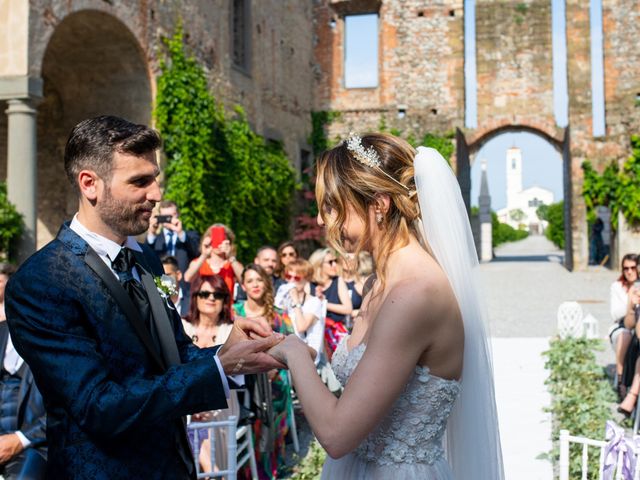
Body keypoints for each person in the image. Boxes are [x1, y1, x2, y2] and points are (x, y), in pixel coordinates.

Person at [4, 116, 284, 479]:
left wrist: (235, 353)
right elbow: (98, 406)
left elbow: (175, 355)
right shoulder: (41, 283)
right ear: (90, 184)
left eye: (155, 179)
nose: (156, 194)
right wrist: (218, 368)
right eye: (140, 181)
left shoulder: (145, 259)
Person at [268, 133, 503, 479]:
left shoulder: (415, 295)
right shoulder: (377, 283)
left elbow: (336, 434)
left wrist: (295, 353)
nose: (320, 220)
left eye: (331, 205)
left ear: (379, 204)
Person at [234, 264, 294, 479]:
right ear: (243, 286)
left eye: (259, 280)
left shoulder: (279, 315)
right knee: (251, 426)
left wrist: (273, 368)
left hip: (275, 379)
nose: (255, 285)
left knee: (274, 427)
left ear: (266, 283)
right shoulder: (235, 313)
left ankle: (272, 471)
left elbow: (291, 346)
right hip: (245, 381)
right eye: (250, 281)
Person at [0, 264, 47, 480]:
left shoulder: (55, 339)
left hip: (33, 444)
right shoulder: (2, 331)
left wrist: (20, 439)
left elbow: (69, 407)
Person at [275, 259, 325, 361]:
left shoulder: (314, 302)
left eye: (297, 278)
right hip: (286, 352)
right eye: (289, 277)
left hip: (307, 357)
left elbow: (301, 327)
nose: (292, 281)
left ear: (306, 279)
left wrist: (296, 300)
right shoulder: (285, 299)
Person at [309, 248, 352, 355]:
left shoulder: (338, 280)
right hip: (315, 334)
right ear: (318, 265)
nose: (334, 265)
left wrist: (324, 303)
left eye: (335, 261)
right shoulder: (309, 284)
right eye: (330, 262)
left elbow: (348, 309)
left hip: (336, 333)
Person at [184, 224, 243, 302]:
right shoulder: (199, 262)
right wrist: (204, 254)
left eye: (222, 239)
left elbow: (244, 280)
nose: (219, 243)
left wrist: (231, 257)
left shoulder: (232, 264)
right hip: (204, 308)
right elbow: (187, 277)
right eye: (215, 239)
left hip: (226, 309)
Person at [608, 253, 638, 397]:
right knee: (625, 334)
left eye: (633, 268)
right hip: (621, 327)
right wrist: (630, 302)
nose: (629, 272)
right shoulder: (617, 287)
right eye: (626, 268)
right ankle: (621, 381)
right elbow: (615, 314)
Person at [146, 200, 200, 275]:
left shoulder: (190, 236)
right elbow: (146, 257)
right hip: (162, 281)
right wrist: (152, 233)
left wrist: (180, 233)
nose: (168, 220)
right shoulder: (155, 240)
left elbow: (197, 253)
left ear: (178, 214)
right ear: (160, 216)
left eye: (171, 216)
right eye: (165, 217)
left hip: (184, 283)